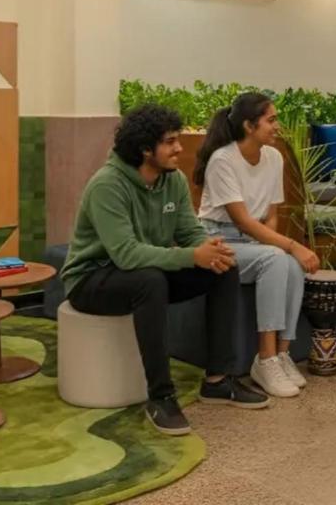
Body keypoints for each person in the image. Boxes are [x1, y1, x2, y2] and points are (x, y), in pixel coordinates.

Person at [60, 103, 270, 437]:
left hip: (142, 272)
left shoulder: (171, 181)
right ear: (145, 149)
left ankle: (218, 380)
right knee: (151, 281)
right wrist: (191, 257)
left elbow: (189, 233)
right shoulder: (107, 186)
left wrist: (211, 251)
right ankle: (161, 396)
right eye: (170, 141)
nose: (179, 148)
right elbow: (126, 254)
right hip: (92, 278)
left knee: (224, 269)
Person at [194, 92, 318, 398]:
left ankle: (282, 353)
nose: (278, 126)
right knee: (279, 258)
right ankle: (264, 360)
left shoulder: (274, 157)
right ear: (249, 126)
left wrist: (279, 247)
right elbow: (244, 222)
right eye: (271, 120)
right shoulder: (223, 160)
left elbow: (270, 215)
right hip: (219, 241)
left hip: (255, 240)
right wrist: (290, 246)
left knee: (289, 263)